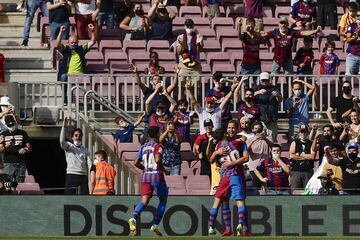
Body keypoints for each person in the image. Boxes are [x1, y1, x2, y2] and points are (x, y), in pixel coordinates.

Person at [208, 128, 250, 236]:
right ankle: (240, 225)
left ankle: (211, 226)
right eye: (229, 129)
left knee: (219, 201)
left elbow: (212, 161)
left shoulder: (218, 147)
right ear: (225, 134)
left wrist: (218, 154)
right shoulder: (238, 143)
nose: (231, 131)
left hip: (225, 176)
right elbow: (245, 155)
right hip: (236, 174)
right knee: (240, 201)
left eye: (233, 128)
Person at [128, 126, 168, 236]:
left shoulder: (143, 147)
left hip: (146, 177)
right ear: (157, 134)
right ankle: (155, 225)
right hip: (156, 176)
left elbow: (136, 162)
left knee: (144, 201)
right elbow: (157, 159)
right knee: (163, 200)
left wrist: (145, 168)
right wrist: (164, 170)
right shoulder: (158, 146)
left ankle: (133, 218)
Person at [56, 24, 97, 102]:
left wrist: (93, 31)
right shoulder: (66, 49)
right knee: (63, 77)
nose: (73, 44)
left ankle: (90, 98)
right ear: (68, 43)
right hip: (68, 73)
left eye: (75, 43)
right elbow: (57, 44)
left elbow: (92, 41)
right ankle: (65, 98)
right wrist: (61, 32)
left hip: (81, 73)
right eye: (71, 43)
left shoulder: (82, 49)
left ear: (78, 42)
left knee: (92, 78)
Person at [60, 117, 92, 195]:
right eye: (76, 135)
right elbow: (61, 141)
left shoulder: (85, 150)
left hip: (83, 176)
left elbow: (90, 164)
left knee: (84, 197)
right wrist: (64, 127)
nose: (78, 137)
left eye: (80, 135)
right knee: (69, 197)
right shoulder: (69, 146)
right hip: (71, 174)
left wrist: (92, 175)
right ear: (72, 137)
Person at [0, 114, 32, 183]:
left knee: (20, 184)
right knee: (8, 184)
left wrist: (25, 149)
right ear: (6, 124)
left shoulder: (23, 133)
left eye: (12, 124)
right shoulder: (3, 134)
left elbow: (29, 147)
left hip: (20, 163)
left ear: (15, 122)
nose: (11, 126)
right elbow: (0, 150)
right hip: (8, 163)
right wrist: (6, 146)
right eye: (9, 125)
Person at [253, 72, 282, 142]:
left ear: (269, 80)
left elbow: (280, 99)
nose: (264, 82)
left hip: (272, 119)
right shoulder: (255, 88)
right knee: (258, 141)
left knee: (272, 140)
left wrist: (277, 95)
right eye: (263, 80)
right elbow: (248, 97)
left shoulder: (274, 88)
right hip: (259, 119)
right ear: (260, 80)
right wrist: (258, 92)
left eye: (266, 80)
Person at [246, 121, 273, 192]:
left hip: (266, 167)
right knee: (255, 190)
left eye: (259, 128)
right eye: (256, 128)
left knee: (269, 190)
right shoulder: (249, 140)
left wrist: (265, 138)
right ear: (252, 130)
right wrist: (253, 140)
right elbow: (246, 150)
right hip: (254, 168)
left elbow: (273, 147)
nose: (258, 130)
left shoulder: (267, 138)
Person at [176, 18, 203, 86]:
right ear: (185, 26)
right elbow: (178, 52)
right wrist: (182, 45)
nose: (189, 27)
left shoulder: (198, 36)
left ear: (193, 26)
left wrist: (198, 44)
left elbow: (201, 50)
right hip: (184, 64)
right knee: (181, 84)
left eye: (190, 26)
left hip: (195, 65)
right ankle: (181, 97)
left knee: (196, 85)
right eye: (187, 26)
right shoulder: (180, 37)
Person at [289, 125, 316, 192]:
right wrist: (306, 157)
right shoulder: (295, 142)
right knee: (294, 192)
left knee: (308, 192)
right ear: (299, 132)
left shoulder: (311, 143)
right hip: (296, 171)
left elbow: (312, 157)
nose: (303, 133)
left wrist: (300, 154)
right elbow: (292, 156)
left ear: (308, 132)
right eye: (302, 132)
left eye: (305, 132)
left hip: (307, 171)